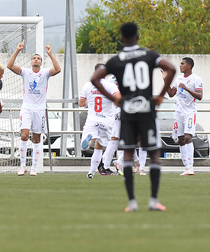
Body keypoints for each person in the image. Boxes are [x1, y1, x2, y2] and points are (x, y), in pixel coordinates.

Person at [91, 22, 176, 212]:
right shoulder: (150, 55)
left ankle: (132, 202)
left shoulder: (115, 60)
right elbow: (171, 68)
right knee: (154, 154)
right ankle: (154, 200)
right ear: (138, 36)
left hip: (127, 111)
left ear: (121, 39)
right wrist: (161, 95)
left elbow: (95, 79)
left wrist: (114, 99)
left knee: (127, 154)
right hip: (147, 109)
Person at [7, 41, 61, 176]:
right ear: (31, 62)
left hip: (40, 110)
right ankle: (22, 166)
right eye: (34, 58)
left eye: (38, 58)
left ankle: (34, 168)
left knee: (37, 138)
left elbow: (58, 69)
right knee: (24, 135)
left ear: (41, 62)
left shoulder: (45, 73)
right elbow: (9, 65)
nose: (36, 59)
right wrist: (18, 49)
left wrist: (49, 54)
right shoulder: (25, 72)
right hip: (26, 108)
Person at [79, 64, 120, 178]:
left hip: (92, 118)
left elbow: (81, 103)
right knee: (100, 147)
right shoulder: (110, 86)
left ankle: (89, 141)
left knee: (86, 146)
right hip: (107, 120)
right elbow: (118, 98)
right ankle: (91, 172)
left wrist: (89, 102)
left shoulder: (88, 85)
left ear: (94, 73)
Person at [164, 58, 203, 176]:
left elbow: (200, 96)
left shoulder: (196, 79)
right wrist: (165, 80)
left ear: (189, 66)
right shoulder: (179, 79)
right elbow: (171, 94)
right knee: (180, 139)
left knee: (188, 138)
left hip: (190, 112)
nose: (180, 66)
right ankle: (186, 167)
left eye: (183, 64)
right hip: (179, 112)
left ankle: (191, 167)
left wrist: (186, 88)